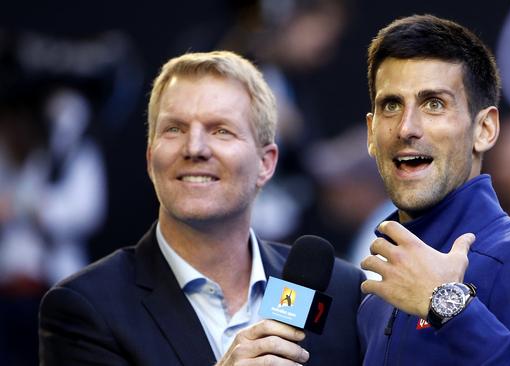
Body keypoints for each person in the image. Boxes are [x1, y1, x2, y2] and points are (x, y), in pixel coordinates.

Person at [39, 50, 365, 365]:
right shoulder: (88, 306)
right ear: (151, 159)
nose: (194, 148)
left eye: (221, 130)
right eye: (175, 129)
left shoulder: (342, 293)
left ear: (266, 164)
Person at [356, 14, 510, 365]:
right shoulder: (376, 302)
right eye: (391, 105)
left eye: (434, 104)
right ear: (371, 132)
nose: (406, 127)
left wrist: (448, 306)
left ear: (484, 129)